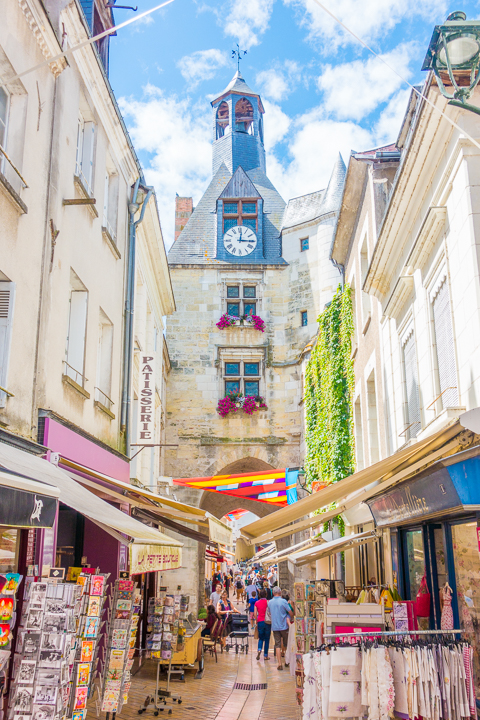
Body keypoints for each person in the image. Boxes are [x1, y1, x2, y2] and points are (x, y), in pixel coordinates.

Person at [268, 586, 293, 671]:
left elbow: (269, 613)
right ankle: (286, 661)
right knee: (286, 643)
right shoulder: (283, 601)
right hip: (284, 626)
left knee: (277, 644)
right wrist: (291, 618)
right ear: (280, 592)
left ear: (273, 593)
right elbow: (290, 611)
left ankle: (279, 663)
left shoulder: (270, 602)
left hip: (275, 626)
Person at [254, 589, 271, 661]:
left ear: (259, 595)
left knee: (260, 638)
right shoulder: (268, 602)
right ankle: (265, 655)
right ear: (266, 595)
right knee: (267, 639)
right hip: (267, 622)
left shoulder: (257, 603)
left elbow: (255, 614)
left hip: (260, 621)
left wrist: (256, 620)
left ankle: (259, 649)